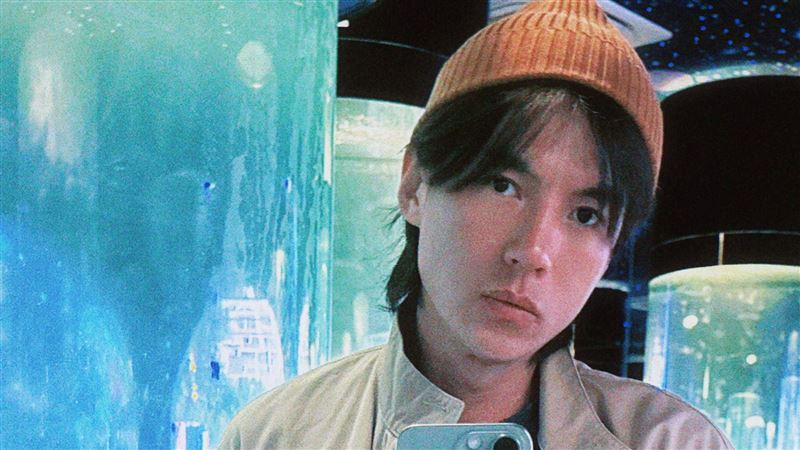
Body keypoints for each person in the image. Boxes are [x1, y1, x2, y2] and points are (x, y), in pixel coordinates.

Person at [219, 1, 733, 449]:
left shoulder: (670, 441)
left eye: (585, 214)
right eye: (502, 185)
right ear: (416, 184)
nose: (533, 251)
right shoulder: (277, 434)